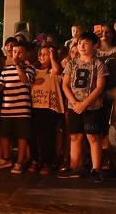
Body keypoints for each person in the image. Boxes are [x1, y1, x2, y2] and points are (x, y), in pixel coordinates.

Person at [59, 32, 108, 183]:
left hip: (92, 107)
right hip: (74, 106)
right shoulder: (72, 64)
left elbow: (100, 87)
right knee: (75, 136)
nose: (81, 46)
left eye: (86, 43)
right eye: (80, 43)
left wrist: (84, 103)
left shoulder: (99, 64)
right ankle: (74, 168)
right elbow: (65, 85)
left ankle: (96, 169)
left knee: (93, 137)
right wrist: (74, 103)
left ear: (94, 45)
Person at [0, 42, 35, 174]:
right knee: (3, 135)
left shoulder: (29, 69)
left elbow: (25, 80)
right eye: (14, 52)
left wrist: (17, 66)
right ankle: (6, 158)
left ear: (25, 54)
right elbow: (1, 85)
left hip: (22, 109)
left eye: (19, 52)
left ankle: (19, 162)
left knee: (22, 137)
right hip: (7, 108)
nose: (16, 55)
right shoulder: (5, 70)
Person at [31, 45, 64, 175]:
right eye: (41, 54)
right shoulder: (34, 70)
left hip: (49, 107)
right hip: (35, 106)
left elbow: (57, 70)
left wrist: (52, 57)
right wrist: (33, 84)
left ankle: (47, 162)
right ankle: (36, 159)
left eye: (46, 54)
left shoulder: (54, 70)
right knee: (35, 135)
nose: (43, 57)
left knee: (48, 135)